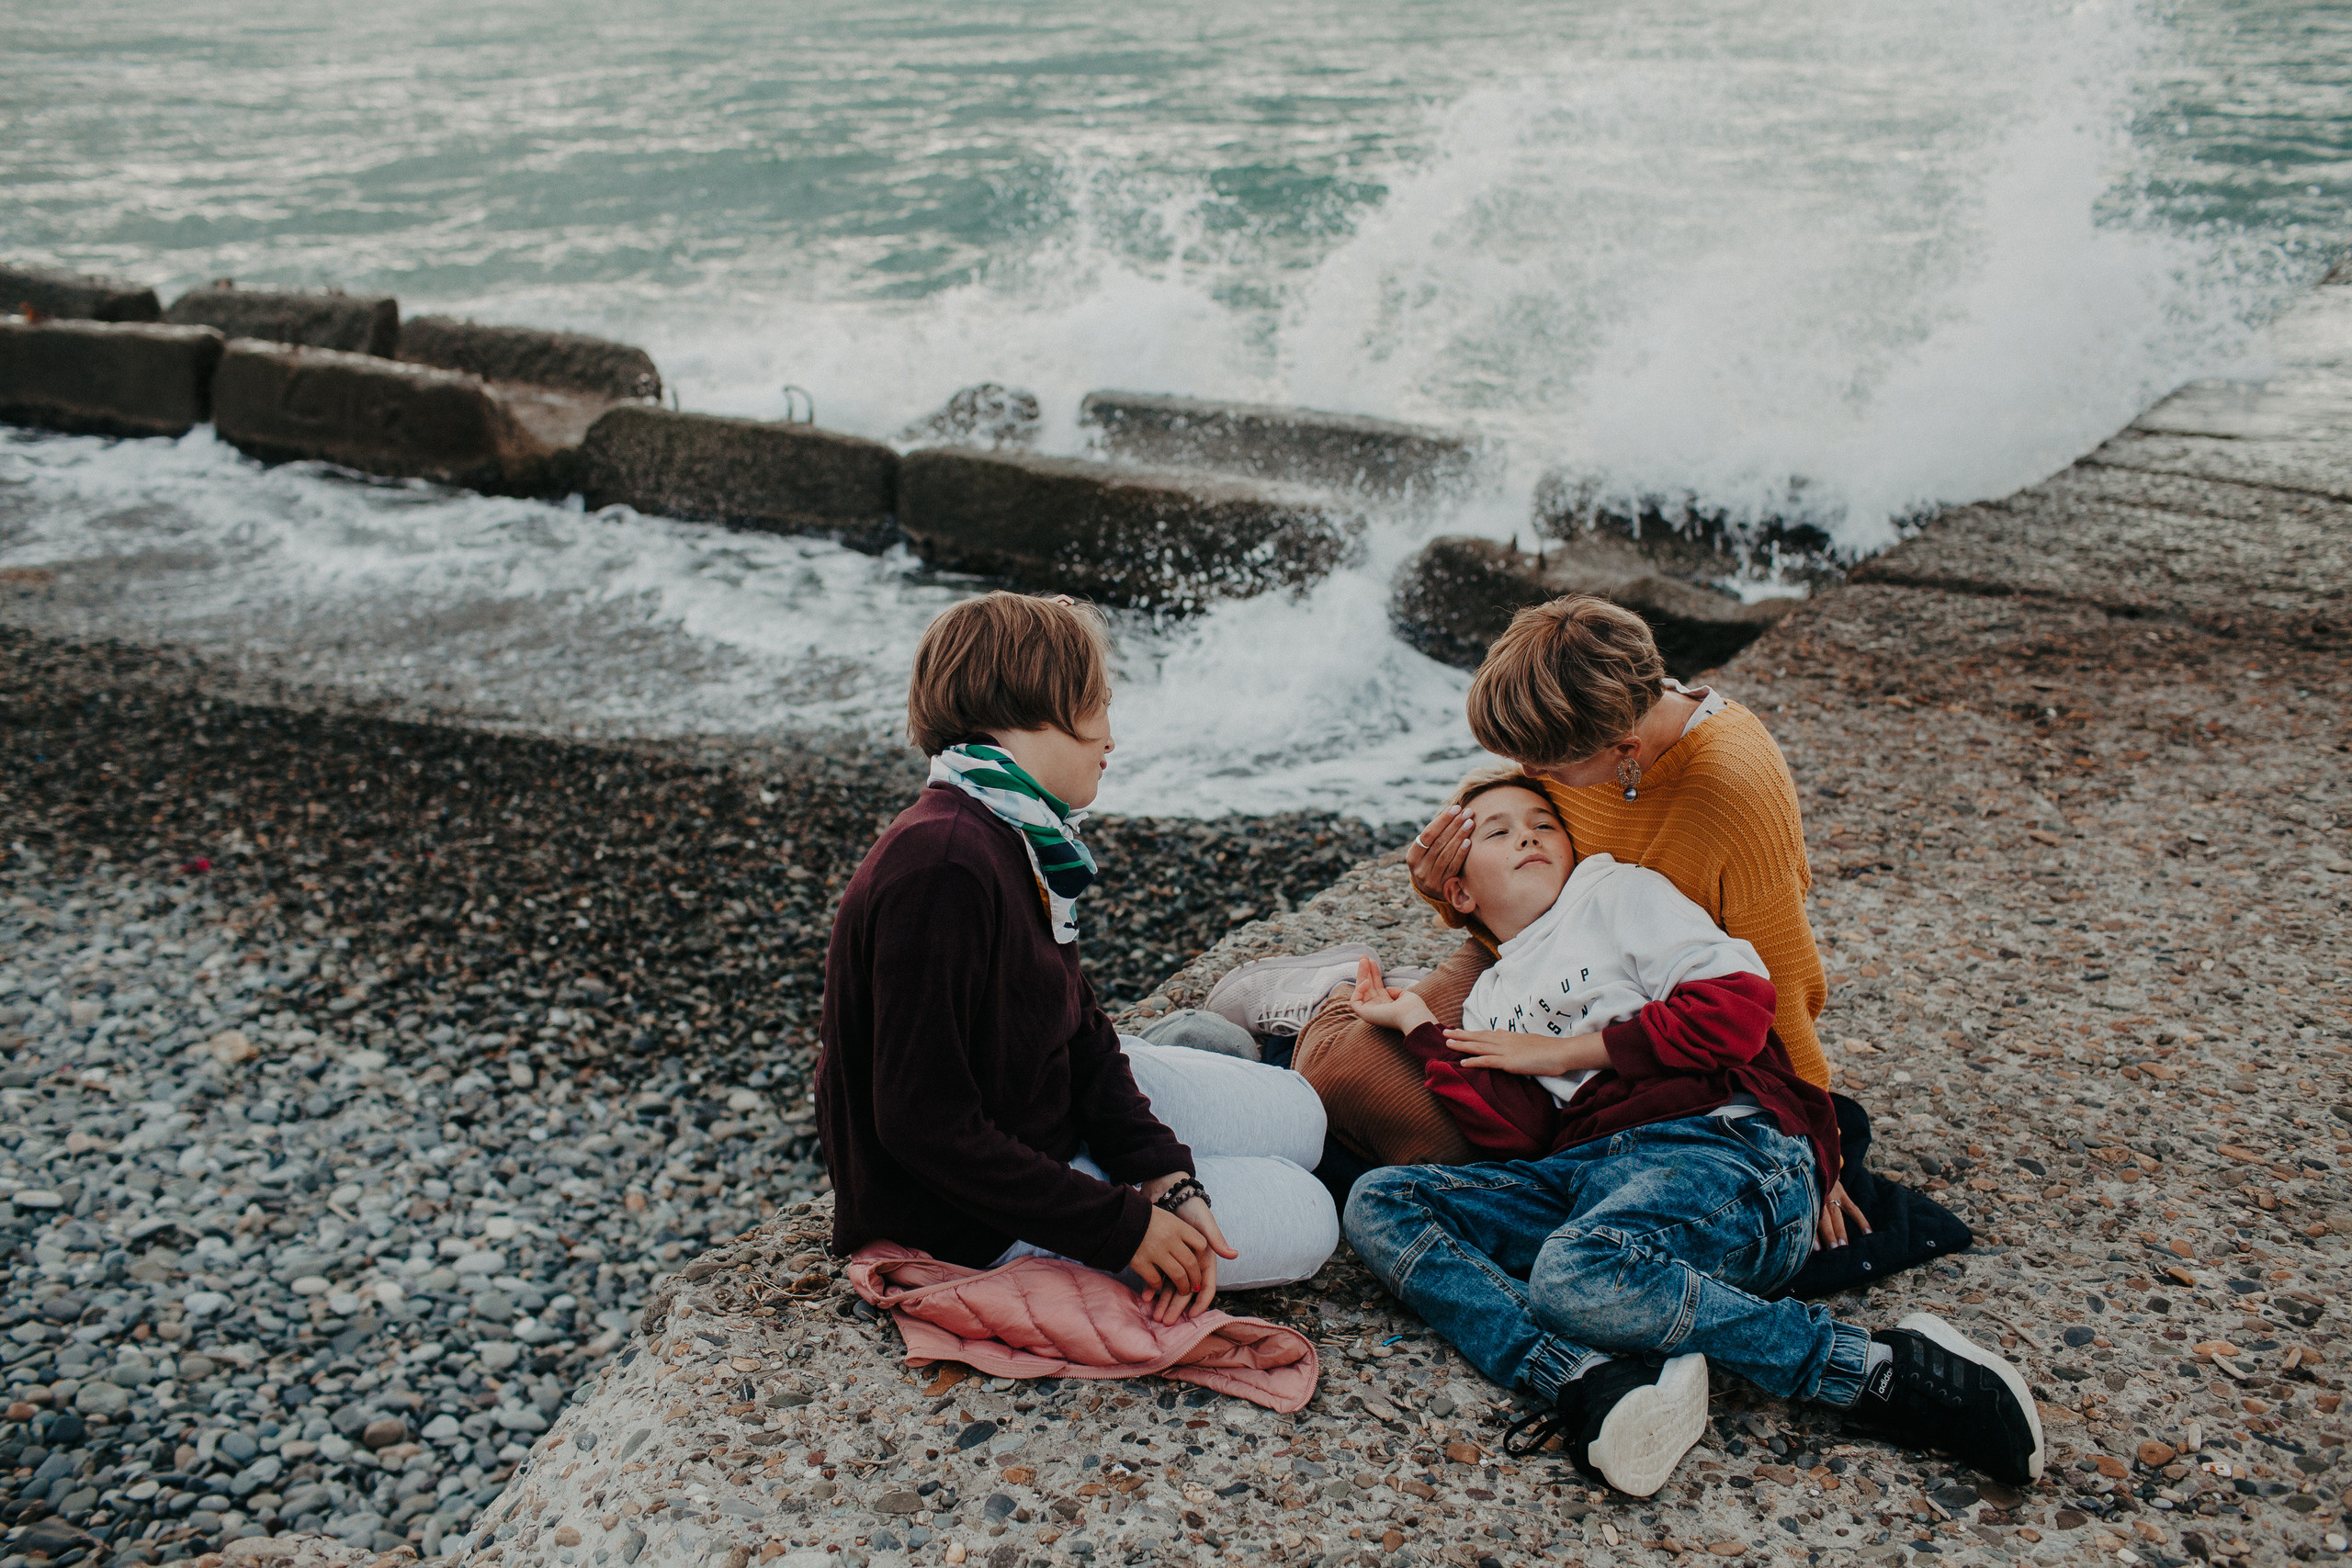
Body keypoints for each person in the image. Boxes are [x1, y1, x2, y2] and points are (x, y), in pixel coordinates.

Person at [1340, 771, 2042, 1497]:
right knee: (1380, 1199)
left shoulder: (1615, 893)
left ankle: (1881, 1369)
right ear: (1460, 892)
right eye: (1499, 830)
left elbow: (1737, 1008)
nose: (1528, 835)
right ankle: (1593, 1378)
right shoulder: (1488, 995)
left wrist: (1562, 1051)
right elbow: (1519, 1134)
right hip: (1588, 1179)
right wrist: (1417, 1022)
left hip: (1721, 1147)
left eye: (1544, 821)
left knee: (1572, 1271)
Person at [815, 592, 1337, 1325]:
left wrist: (1162, 1172)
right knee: (1309, 1216)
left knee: (1304, 1115)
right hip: (972, 1212)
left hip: (1047, 1106)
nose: (1110, 738)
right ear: (1029, 707)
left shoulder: (1014, 828)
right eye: (1096, 705)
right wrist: (1123, 1225)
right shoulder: (942, 865)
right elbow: (921, 1123)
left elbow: (1079, 1026)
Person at [1289, 596, 1866, 1248]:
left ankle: (1328, 994)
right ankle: (1316, 991)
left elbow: (1779, 977)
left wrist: (1818, 1140)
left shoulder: (1733, 792)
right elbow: (1511, 871)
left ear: (1624, 750)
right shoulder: (1572, 728)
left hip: (1656, 998)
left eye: (1545, 766)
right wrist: (1442, 889)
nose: (1531, 775)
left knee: (1413, 1121)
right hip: (1534, 957)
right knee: (1346, 1074)